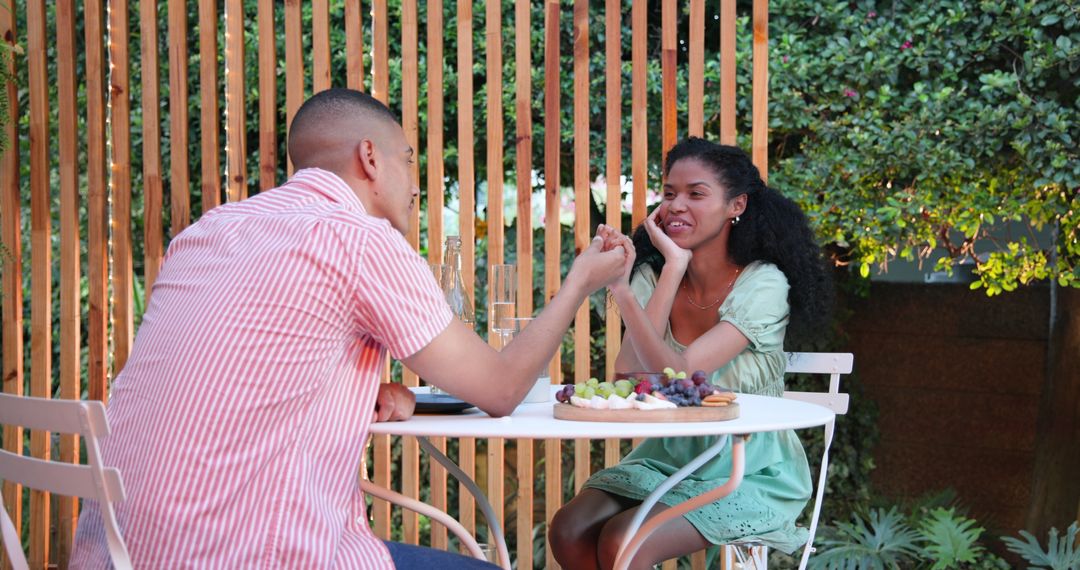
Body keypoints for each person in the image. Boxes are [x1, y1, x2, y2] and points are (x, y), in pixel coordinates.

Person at [70, 88, 632, 569]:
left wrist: (359, 386)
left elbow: (226, 371)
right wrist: (578, 284)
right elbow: (501, 388)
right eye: (409, 161)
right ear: (370, 157)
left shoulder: (208, 232)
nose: (417, 183)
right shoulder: (359, 240)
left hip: (117, 551)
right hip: (244, 553)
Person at [548, 138, 833, 569]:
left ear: (736, 205)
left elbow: (680, 373)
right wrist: (654, 277)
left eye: (696, 194)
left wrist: (631, 290)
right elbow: (627, 371)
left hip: (750, 465)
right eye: (669, 193)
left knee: (626, 542)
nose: (677, 205)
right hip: (667, 457)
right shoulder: (655, 274)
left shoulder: (764, 284)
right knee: (569, 529)